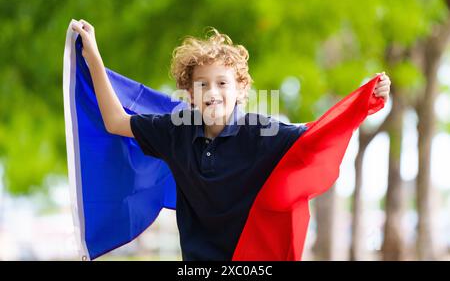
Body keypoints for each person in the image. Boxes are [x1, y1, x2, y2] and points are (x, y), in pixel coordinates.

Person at [70, 19, 391, 260]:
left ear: (239, 89)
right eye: (202, 85)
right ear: (190, 94)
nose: (212, 92)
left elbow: (316, 136)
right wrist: (94, 57)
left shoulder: (262, 133)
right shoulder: (175, 131)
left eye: (222, 83)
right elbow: (116, 122)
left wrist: (365, 101)